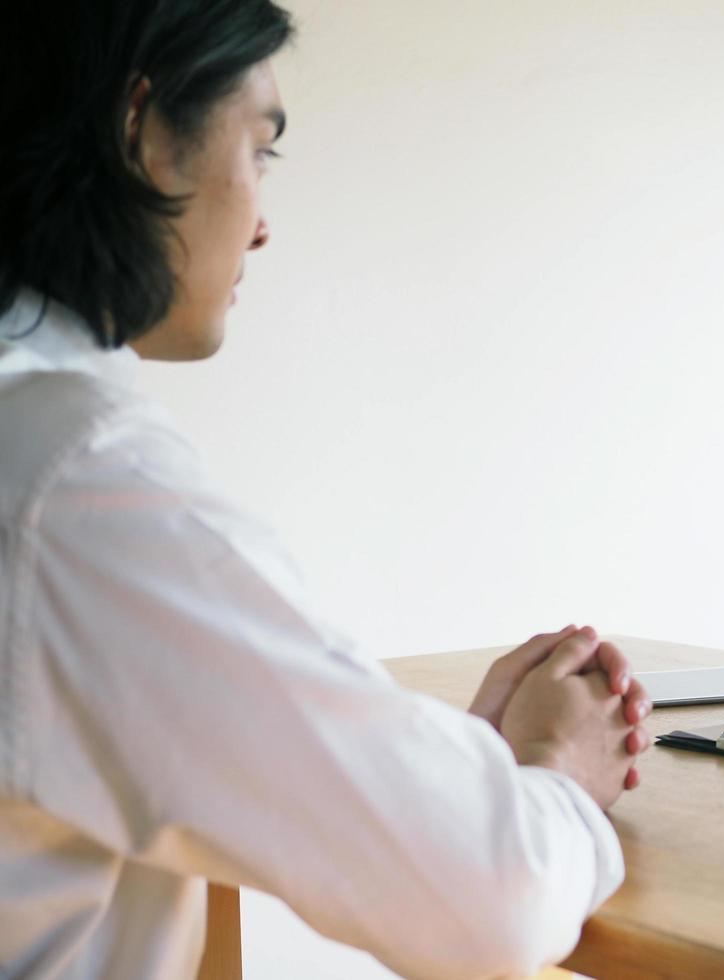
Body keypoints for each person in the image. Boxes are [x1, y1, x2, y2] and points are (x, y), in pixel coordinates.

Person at [0, 2, 651, 977]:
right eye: (259, 149)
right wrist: (558, 774)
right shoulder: (77, 486)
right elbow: (491, 902)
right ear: (144, 135)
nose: (262, 224)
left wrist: (440, 776)